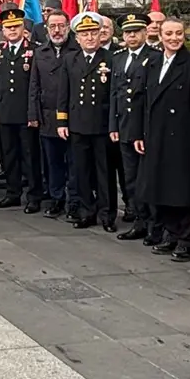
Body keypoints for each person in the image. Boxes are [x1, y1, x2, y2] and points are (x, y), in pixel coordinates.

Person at [130, 17, 190, 262]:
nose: (174, 38)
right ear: (160, 35)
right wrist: (138, 133)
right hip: (156, 136)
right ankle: (171, 234)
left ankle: (188, 242)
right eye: (169, 33)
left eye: (178, 33)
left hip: (183, 139)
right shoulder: (152, 63)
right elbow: (140, 102)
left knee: (184, 193)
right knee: (160, 189)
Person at [57, 12, 117, 231]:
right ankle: (86, 211)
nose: (90, 38)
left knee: (105, 172)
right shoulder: (70, 59)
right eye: (85, 34)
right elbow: (64, 92)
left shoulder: (111, 58)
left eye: (94, 33)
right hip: (77, 124)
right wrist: (62, 121)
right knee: (81, 171)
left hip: (101, 125)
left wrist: (113, 125)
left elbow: (114, 95)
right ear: (77, 38)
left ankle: (107, 215)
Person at [0, 8, 43, 212]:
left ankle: (35, 196)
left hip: (26, 113)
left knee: (30, 156)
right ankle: (13, 193)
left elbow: (36, 86)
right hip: (5, 111)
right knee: (8, 155)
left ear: (22, 28)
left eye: (15, 27)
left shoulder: (35, 50)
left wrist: (33, 113)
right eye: (8, 27)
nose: (12, 30)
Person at [110, 13, 158, 242]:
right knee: (131, 179)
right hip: (125, 127)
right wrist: (114, 125)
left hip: (145, 129)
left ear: (145, 32)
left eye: (136, 31)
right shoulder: (118, 58)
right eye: (128, 32)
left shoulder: (155, 57)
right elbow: (115, 95)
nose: (131, 36)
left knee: (149, 179)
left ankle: (154, 225)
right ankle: (139, 221)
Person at [29, 9, 77, 218]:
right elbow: (34, 85)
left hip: (73, 118)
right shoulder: (40, 53)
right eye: (53, 27)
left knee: (74, 163)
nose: (57, 31)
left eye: (61, 26)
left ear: (68, 27)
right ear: (47, 29)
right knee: (53, 162)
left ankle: (74, 201)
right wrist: (33, 114)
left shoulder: (77, 50)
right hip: (48, 117)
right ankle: (56, 198)